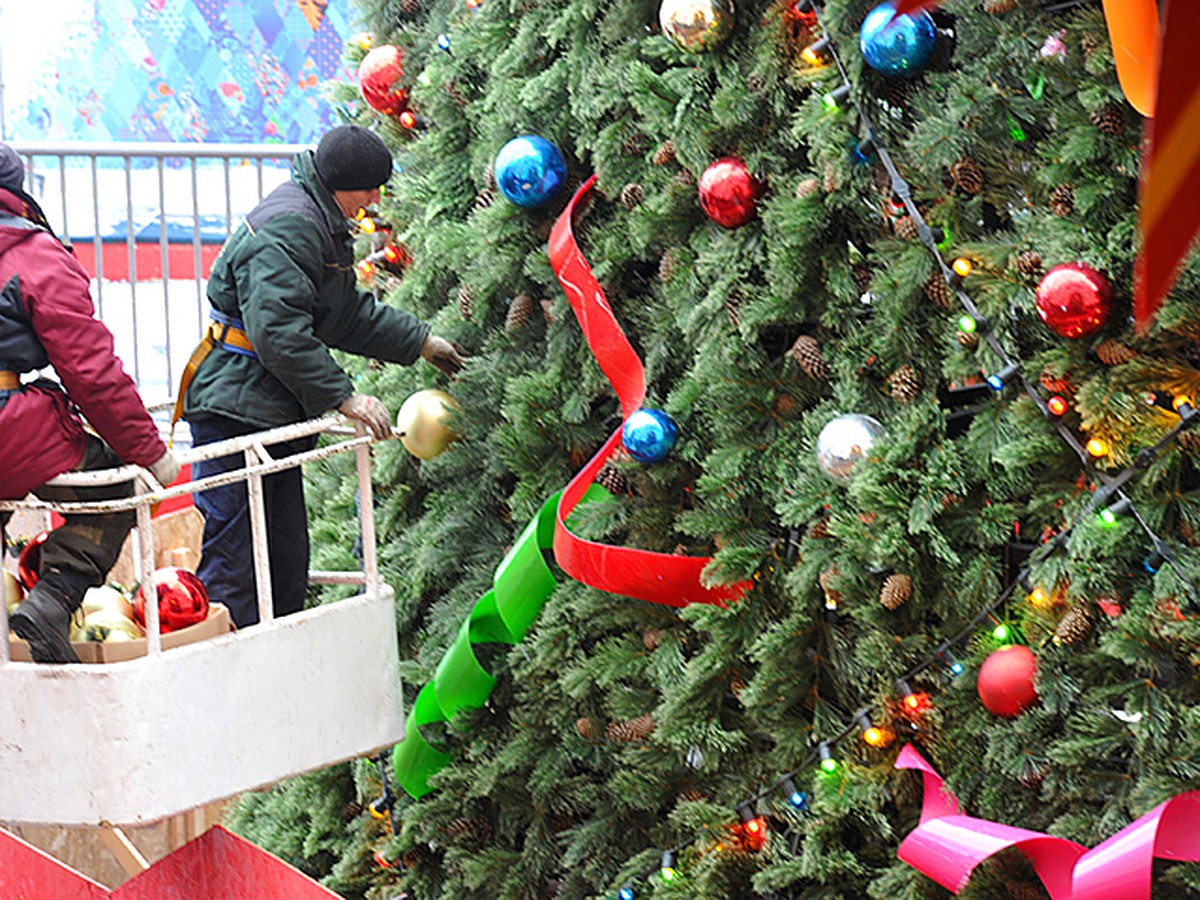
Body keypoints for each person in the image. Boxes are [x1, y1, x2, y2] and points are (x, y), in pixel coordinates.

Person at [180, 124, 465, 629]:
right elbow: (278, 332)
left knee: (285, 561)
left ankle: (275, 676)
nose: (375, 199)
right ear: (343, 182)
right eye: (370, 187)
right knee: (237, 562)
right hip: (235, 407)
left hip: (268, 405)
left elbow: (342, 313)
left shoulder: (318, 217)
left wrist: (421, 342)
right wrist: (344, 398)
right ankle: (226, 681)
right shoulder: (290, 226)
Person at [0, 143, 180, 664]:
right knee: (115, 486)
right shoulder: (32, 254)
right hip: (12, 429)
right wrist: (148, 453)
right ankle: (54, 600)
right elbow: (91, 374)